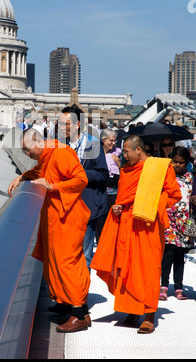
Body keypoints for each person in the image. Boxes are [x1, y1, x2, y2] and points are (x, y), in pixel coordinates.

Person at [90, 135, 181, 334]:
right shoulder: (125, 170)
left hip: (148, 225)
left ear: (138, 150)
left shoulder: (160, 168)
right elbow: (124, 197)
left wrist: (152, 202)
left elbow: (174, 194)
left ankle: (149, 315)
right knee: (127, 267)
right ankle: (131, 309)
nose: (124, 155)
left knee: (147, 269)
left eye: (127, 151)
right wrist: (118, 207)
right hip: (127, 224)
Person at [8, 128, 92, 333]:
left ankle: (79, 315)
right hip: (55, 218)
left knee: (67, 263)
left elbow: (81, 180)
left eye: (26, 150)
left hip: (68, 217)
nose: (26, 154)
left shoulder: (60, 153)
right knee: (54, 259)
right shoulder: (48, 155)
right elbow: (40, 172)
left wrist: (52, 186)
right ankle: (65, 302)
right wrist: (22, 176)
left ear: (37, 142)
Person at [58, 104, 109, 270]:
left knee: (85, 256)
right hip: (64, 207)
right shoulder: (59, 145)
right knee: (65, 254)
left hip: (86, 206)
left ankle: (80, 295)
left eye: (65, 124)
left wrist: (79, 175)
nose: (61, 128)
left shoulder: (93, 145)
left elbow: (102, 174)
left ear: (77, 124)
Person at [160, 146, 194, 301]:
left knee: (181, 255)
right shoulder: (166, 177)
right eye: (175, 162)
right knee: (167, 253)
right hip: (169, 220)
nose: (178, 165)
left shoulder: (191, 178)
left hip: (188, 221)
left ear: (186, 162)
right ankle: (164, 285)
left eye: (182, 162)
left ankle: (179, 287)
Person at [100, 128, 121, 209]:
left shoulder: (116, 153)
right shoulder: (97, 153)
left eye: (114, 141)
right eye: (111, 141)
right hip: (100, 192)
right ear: (104, 140)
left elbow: (121, 171)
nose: (113, 143)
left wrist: (118, 163)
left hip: (113, 192)